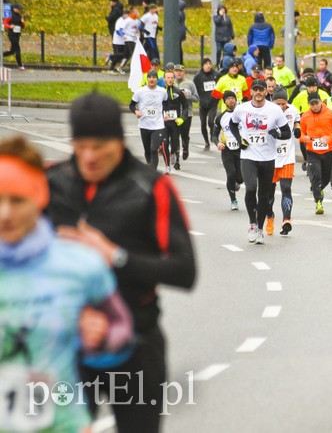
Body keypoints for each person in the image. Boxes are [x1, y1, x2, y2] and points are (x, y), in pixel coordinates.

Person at [47, 93, 196, 433]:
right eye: (81, 145)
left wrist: (114, 255)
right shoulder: (51, 184)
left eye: (99, 146)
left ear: (118, 140)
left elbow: (185, 271)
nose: (89, 156)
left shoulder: (150, 187)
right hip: (64, 346)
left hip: (136, 343)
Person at [0, 135, 132, 433]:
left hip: (64, 424)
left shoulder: (79, 265)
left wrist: (101, 338)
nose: (5, 214)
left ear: (39, 197)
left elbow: (121, 329)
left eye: (17, 200)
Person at [229, 79, 291, 244]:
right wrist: (239, 139)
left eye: (261, 90)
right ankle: (252, 224)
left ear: (265, 92)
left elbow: (287, 133)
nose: (258, 93)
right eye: (255, 90)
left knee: (264, 196)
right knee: (250, 189)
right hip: (248, 156)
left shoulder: (274, 110)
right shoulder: (242, 109)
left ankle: (259, 229)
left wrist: (277, 134)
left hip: (268, 158)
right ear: (251, 92)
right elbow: (232, 124)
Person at [299, 92, 332, 215]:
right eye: (312, 104)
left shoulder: (329, 113)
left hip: (328, 150)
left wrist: (331, 137)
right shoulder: (306, 116)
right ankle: (318, 201)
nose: (315, 106)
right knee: (316, 175)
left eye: (316, 103)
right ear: (309, 105)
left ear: (320, 102)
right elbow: (300, 134)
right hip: (312, 151)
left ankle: (320, 189)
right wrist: (304, 138)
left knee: (326, 177)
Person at [270, 87, 301, 235]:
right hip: (269, 157)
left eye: (284, 103)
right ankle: (269, 215)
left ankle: (286, 220)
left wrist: (297, 128)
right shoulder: (266, 110)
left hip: (287, 156)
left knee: (286, 188)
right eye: (278, 104)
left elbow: (297, 120)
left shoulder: (292, 110)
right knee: (268, 191)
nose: (281, 107)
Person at [211, 90, 245, 210]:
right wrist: (218, 143)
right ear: (224, 101)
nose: (231, 100)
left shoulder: (242, 115)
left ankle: (238, 182)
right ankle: (233, 200)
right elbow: (214, 135)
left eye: (233, 98)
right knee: (231, 174)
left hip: (241, 149)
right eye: (228, 99)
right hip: (227, 149)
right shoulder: (220, 117)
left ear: (236, 100)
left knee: (241, 178)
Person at [130, 69, 168, 169]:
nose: (152, 79)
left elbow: (166, 103)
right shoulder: (140, 91)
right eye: (150, 77)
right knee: (147, 151)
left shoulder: (162, 91)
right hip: (144, 125)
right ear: (147, 79)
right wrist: (136, 112)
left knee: (153, 149)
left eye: (154, 77)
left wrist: (166, 113)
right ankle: (149, 162)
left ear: (157, 79)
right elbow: (131, 105)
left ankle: (153, 173)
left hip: (158, 125)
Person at [162, 70, 189, 171]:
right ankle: (167, 165)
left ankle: (173, 153)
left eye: (171, 78)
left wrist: (182, 118)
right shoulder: (160, 91)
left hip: (175, 122)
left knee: (174, 143)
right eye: (167, 78)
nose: (169, 80)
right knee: (164, 143)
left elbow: (186, 106)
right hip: (164, 122)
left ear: (174, 79)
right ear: (164, 79)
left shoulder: (178, 91)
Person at [194, 57, 218, 150]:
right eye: (206, 64)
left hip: (213, 102)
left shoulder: (216, 74)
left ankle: (213, 134)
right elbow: (194, 89)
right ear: (202, 66)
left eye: (209, 64)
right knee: (203, 123)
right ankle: (206, 142)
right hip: (203, 103)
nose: (208, 66)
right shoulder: (198, 77)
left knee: (211, 120)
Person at [176, 64, 198, 161]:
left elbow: (197, 99)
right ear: (174, 72)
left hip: (187, 114)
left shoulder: (190, 84)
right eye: (177, 71)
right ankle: (175, 153)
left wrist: (187, 96)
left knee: (184, 134)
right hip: (174, 114)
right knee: (174, 135)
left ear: (184, 72)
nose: (179, 73)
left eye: (181, 71)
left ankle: (185, 148)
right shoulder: (170, 83)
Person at [2, 3, 24, 70]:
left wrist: (23, 22)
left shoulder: (20, 16)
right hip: (11, 34)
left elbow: (23, 26)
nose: (18, 10)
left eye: (19, 9)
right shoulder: (10, 15)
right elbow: (5, 23)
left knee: (12, 51)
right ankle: (20, 66)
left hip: (17, 34)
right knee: (18, 49)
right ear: (14, 8)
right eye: (17, 9)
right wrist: (10, 26)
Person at [108, 9, 129, 75]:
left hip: (124, 42)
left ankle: (119, 67)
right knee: (118, 56)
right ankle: (111, 68)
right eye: (127, 16)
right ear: (124, 15)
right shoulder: (120, 21)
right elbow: (118, 31)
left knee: (125, 55)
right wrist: (123, 35)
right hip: (117, 42)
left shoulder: (127, 21)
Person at [177, 0, 187, 64]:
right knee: (179, 46)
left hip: (179, 32)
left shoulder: (178, 13)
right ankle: (180, 61)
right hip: (182, 31)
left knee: (178, 47)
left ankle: (179, 61)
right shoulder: (182, 12)